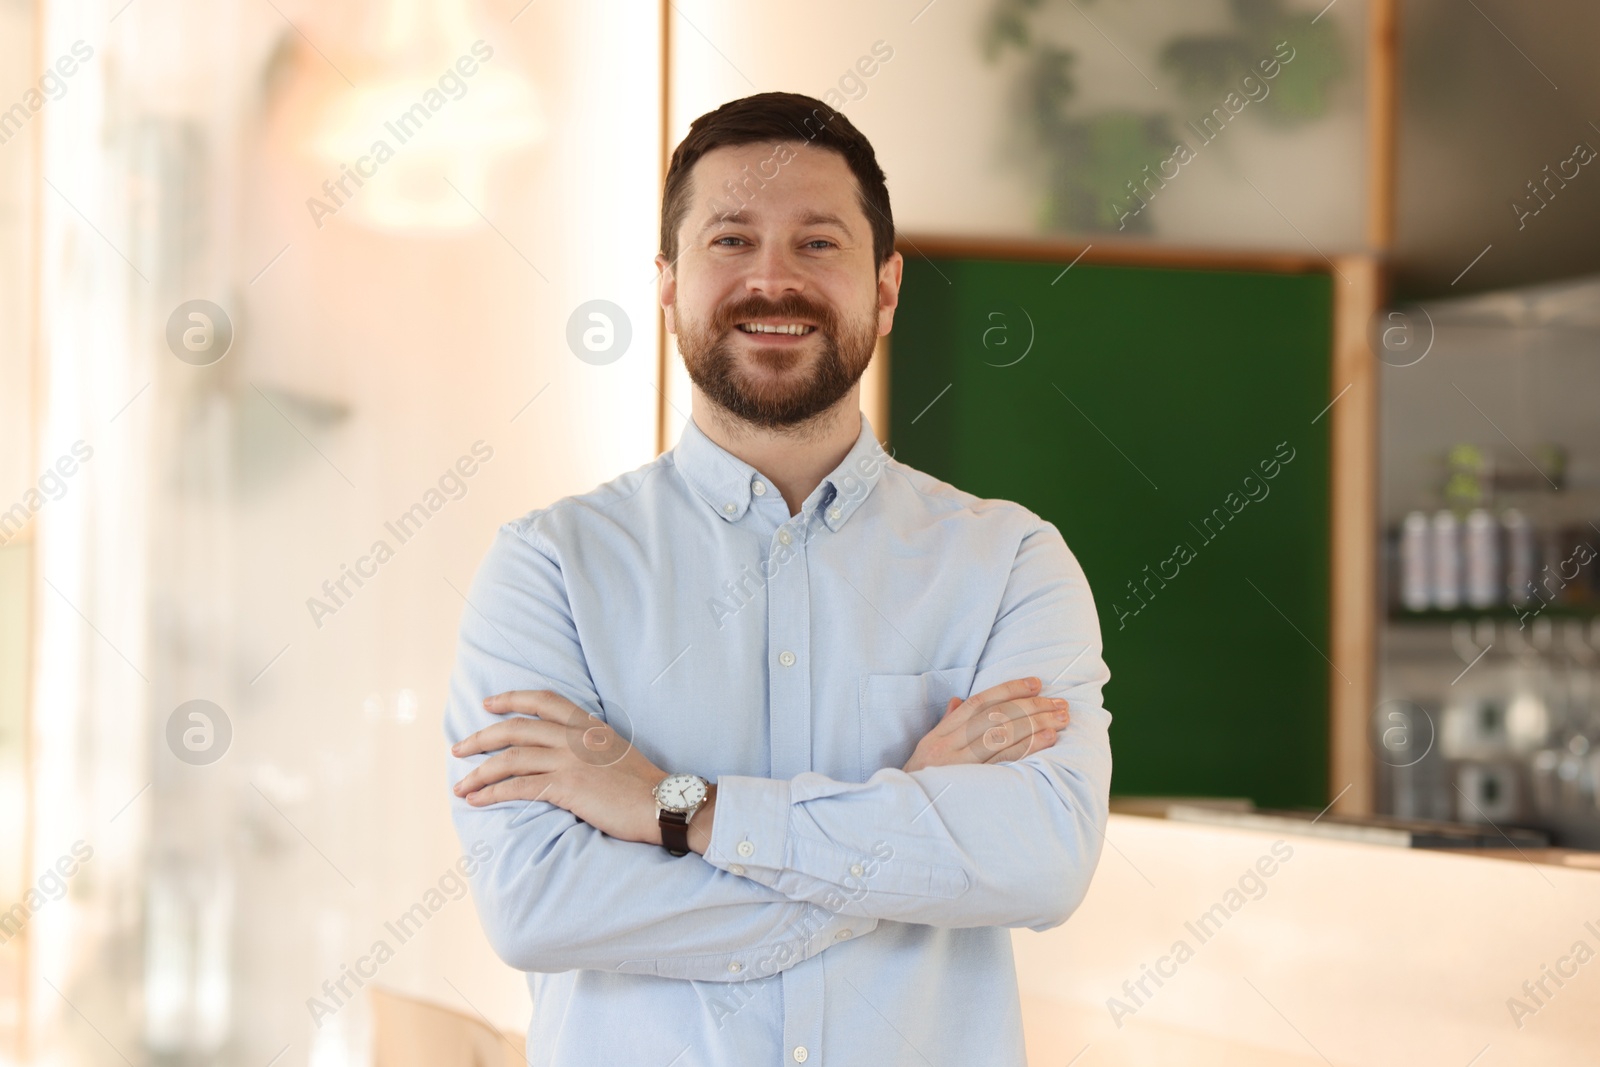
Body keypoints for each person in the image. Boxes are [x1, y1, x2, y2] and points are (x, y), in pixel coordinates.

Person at [443, 90, 1112, 1066]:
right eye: (730, 239)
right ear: (666, 283)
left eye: (817, 243)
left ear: (885, 289)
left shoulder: (1009, 562)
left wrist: (681, 808)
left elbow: (1039, 863)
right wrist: (906, 812)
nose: (772, 278)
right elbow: (540, 906)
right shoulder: (547, 568)